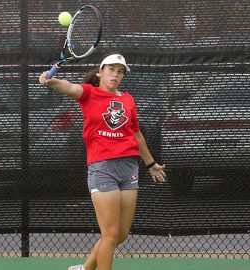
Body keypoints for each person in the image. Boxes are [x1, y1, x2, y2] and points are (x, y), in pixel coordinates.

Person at [39, 53, 166, 270]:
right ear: (100, 71)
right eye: (111, 69)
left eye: (120, 71)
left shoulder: (128, 99)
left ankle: (84, 269)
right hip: (102, 168)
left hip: (129, 168)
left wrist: (151, 164)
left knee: (121, 234)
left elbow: (136, 135)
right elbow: (69, 87)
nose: (115, 75)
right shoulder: (89, 93)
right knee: (110, 233)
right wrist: (51, 81)